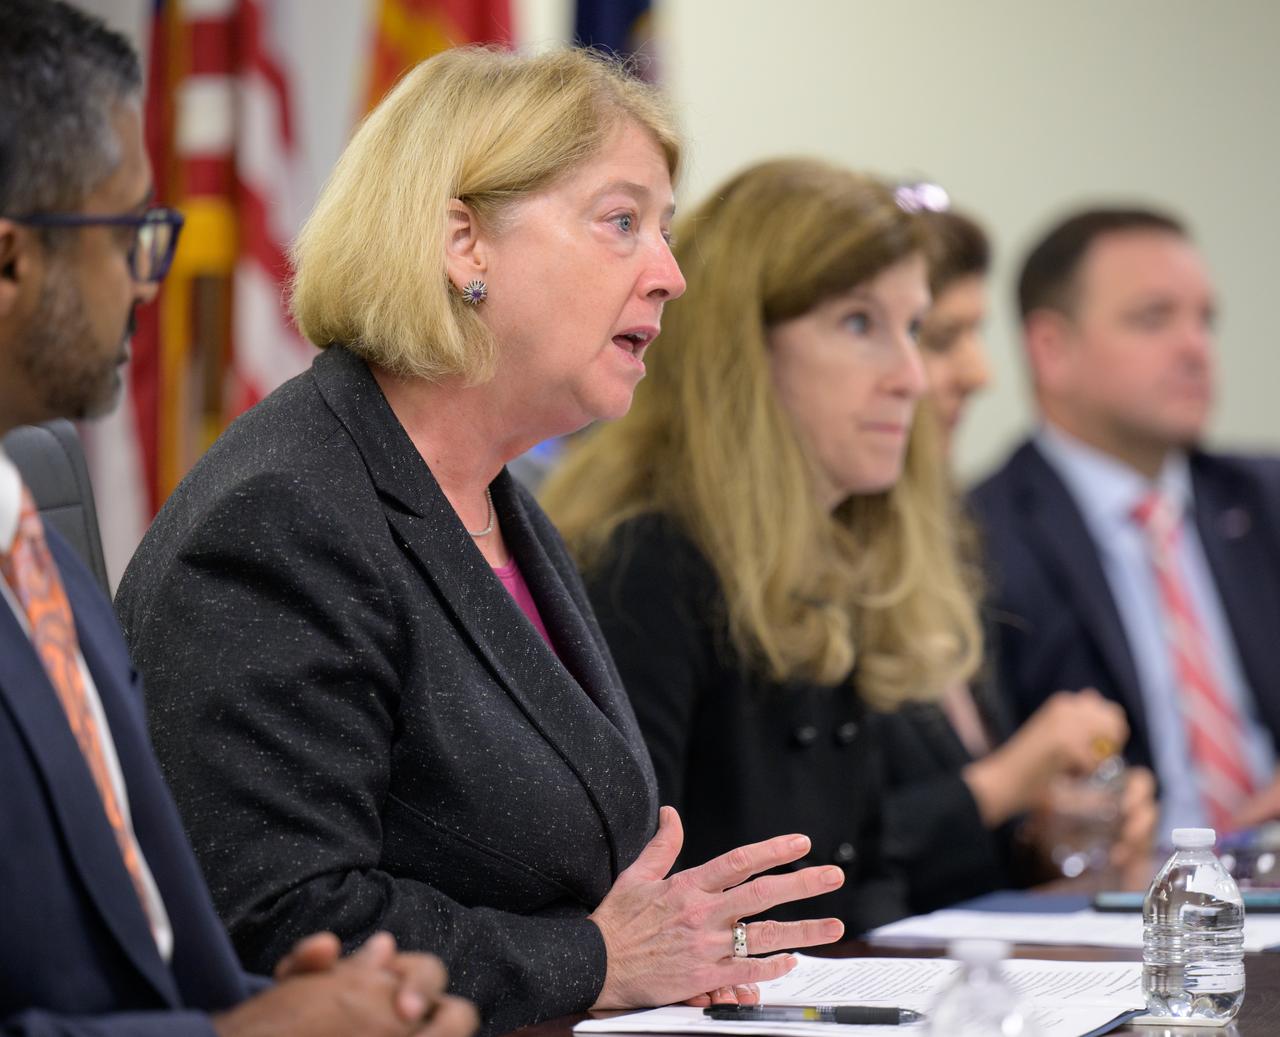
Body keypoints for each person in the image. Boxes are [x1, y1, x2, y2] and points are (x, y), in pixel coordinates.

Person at [115, 46, 845, 1037]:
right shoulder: (283, 516)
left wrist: (667, 951)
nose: (671, 276)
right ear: (465, 243)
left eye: (665, 233)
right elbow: (283, 923)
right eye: (621, 222)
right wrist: (597, 960)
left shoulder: (493, 498)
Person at [0, 4, 477, 1036]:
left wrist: (333, 1007)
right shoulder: (275, 506)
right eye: (126, 231)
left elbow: (138, 970)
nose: (149, 279)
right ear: (10, 261)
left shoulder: (39, 556)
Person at [541, 158, 985, 933]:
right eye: (860, 324)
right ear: (742, 347)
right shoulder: (643, 563)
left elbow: (863, 879)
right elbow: (628, 906)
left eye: (913, 329)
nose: (912, 377)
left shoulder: (836, 549)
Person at [870, 206, 1155, 912]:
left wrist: (1053, 827)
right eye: (941, 338)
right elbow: (832, 845)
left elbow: (974, 849)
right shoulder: (799, 569)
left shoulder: (949, 540)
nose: (980, 372)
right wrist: (1011, 778)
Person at [970, 207, 1280, 837]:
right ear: (1052, 350)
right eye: (1153, 318)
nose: (1195, 347)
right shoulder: (977, 538)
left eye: (1205, 320)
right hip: (1119, 884)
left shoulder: (1265, 498)